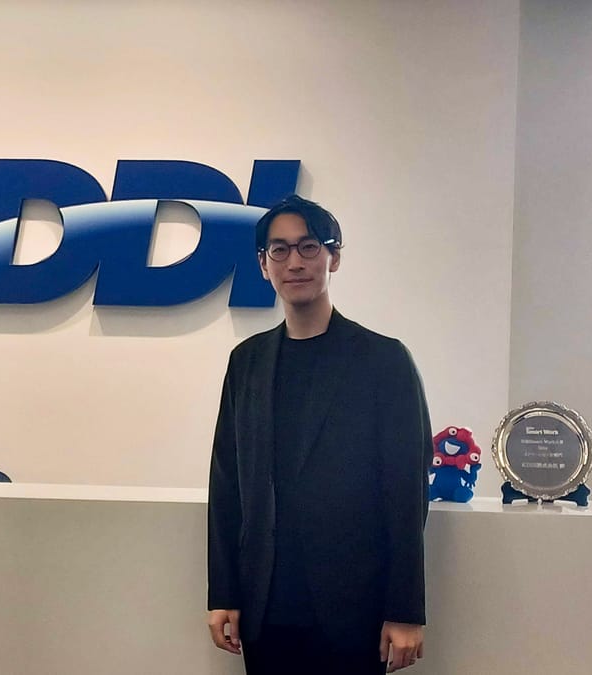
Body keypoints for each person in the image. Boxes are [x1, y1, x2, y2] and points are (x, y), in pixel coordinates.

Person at [206, 194, 432, 674]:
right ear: (263, 264)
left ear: (334, 257)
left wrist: (405, 609)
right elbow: (227, 486)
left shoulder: (383, 360)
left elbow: (407, 494)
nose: (295, 262)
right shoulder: (246, 362)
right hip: (265, 609)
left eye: (309, 247)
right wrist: (223, 593)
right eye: (280, 250)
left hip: (355, 609)